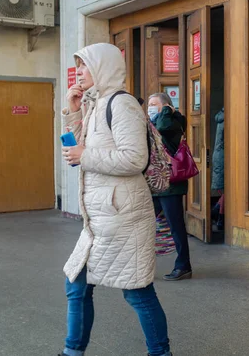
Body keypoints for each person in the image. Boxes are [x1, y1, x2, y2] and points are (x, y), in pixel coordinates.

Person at [60, 43, 172, 356]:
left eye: (84, 65)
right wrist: (71, 110)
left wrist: (85, 155)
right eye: (77, 66)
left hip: (123, 217)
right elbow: (79, 149)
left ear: (103, 66)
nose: (79, 72)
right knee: (77, 286)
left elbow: (135, 159)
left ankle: (160, 352)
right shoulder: (96, 103)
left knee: (137, 292)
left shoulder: (121, 104)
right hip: (102, 218)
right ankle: (73, 351)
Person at [148, 92, 192, 281]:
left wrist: (166, 111)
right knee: (147, 224)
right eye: (148, 104)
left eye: (154, 104)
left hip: (171, 184)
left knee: (176, 226)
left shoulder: (174, 121)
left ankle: (183, 265)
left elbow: (162, 127)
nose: (150, 107)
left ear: (166, 106)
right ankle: (143, 264)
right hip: (155, 184)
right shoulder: (153, 122)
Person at [211, 108, 225, 230]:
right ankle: (218, 215)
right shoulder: (228, 119)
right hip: (224, 157)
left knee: (225, 191)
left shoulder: (221, 117)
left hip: (219, 156)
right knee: (227, 191)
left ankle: (217, 213)